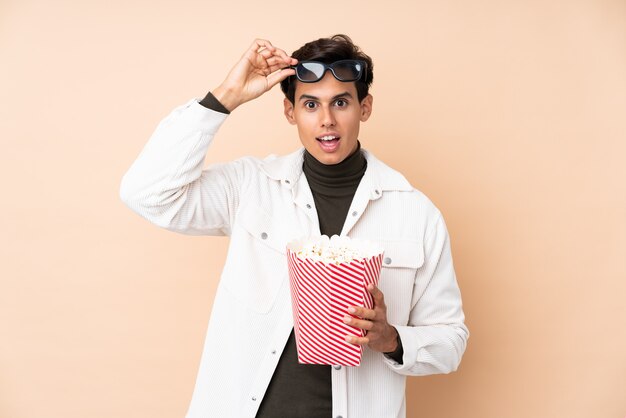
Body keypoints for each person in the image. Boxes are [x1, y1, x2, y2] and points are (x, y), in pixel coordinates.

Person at [120, 34, 469, 418]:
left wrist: (391, 339)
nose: (326, 120)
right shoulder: (250, 187)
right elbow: (146, 194)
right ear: (290, 112)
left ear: (364, 107)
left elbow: (450, 340)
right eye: (310, 104)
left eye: (341, 102)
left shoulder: (416, 213)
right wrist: (226, 96)